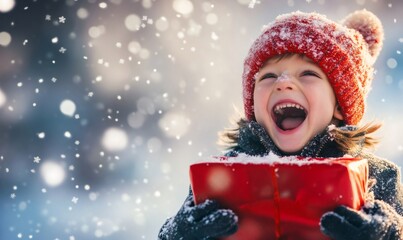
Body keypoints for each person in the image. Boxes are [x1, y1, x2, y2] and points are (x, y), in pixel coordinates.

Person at [158, 9, 403, 240]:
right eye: (268, 76)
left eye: (308, 73)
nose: (283, 82)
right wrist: (178, 234)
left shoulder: (377, 177)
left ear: (340, 105)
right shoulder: (222, 178)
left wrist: (391, 233)